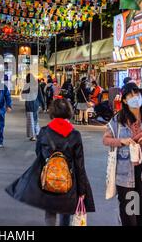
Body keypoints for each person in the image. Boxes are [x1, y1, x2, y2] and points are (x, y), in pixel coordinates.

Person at [6, 97, 95, 226]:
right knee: (65, 213)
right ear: (69, 112)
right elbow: (80, 165)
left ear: (53, 112)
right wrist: (82, 190)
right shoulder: (75, 135)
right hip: (68, 180)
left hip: (49, 178)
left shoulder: (44, 132)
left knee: (50, 212)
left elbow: (39, 154)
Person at [103, 82, 142, 226]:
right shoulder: (118, 120)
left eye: (137, 93)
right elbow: (106, 140)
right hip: (126, 176)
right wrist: (122, 141)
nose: (135, 97)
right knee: (130, 217)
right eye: (130, 94)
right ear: (124, 100)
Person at [21, 74, 44, 142]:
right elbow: (40, 96)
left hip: (29, 105)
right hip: (36, 105)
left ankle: (33, 136)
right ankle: (38, 133)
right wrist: (43, 105)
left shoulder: (27, 86)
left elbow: (22, 96)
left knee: (31, 121)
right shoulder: (37, 85)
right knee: (36, 120)